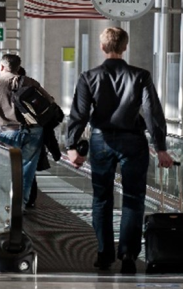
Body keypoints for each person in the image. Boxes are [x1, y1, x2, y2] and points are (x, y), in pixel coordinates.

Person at [64, 27, 174, 275]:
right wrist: (161, 148)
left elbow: (78, 114)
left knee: (101, 198)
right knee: (134, 198)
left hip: (101, 141)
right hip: (134, 142)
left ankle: (104, 254)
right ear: (125, 46)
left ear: (102, 47)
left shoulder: (88, 77)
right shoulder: (140, 76)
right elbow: (152, 113)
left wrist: (72, 147)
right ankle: (128, 254)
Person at [0, 53, 55, 209]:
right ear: (18, 67)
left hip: (9, 132)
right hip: (35, 131)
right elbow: (50, 101)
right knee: (27, 172)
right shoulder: (30, 82)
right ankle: (19, 207)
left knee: (6, 169)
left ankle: (5, 206)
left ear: (2, 67)